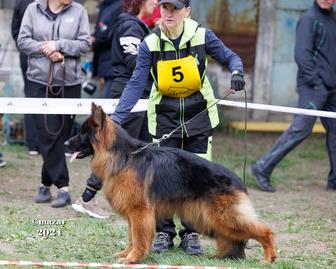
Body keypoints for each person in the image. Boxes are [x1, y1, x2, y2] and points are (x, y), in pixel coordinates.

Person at [111, 0, 245, 255]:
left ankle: (190, 235)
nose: (169, 14)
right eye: (165, 8)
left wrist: (237, 71)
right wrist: (117, 117)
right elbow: (136, 83)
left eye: (175, 9)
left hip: (199, 119)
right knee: (162, 181)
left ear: (187, 12)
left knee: (196, 179)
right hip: (164, 120)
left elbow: (231, 57)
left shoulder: (202, 35)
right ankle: (163, 233)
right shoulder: (150, 43)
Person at [71, 0, 157, 218]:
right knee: (113, 150)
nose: (157, 2)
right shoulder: (129, 25)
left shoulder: (136, 25)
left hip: (141, 95)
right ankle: (86, 198)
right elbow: (134, 62)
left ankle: (142, 199)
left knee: (143, 149)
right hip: (129, 93)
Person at [251, 0, 336, 193]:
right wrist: (317, 83)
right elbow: (302, 55)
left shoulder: (332, 19)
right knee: (301, 129)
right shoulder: (309, 19)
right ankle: (262, 168)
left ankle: (334, 181)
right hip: (313, 87)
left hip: (332, 89)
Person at [17, 0, 90, 207]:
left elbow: (84, 44)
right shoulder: (33, 9)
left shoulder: (79, 11)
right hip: (38, 82)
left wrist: (59, 46)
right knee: (47, 133)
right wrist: (45, 49)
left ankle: (44, 184)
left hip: (70, 83)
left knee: (60, 135)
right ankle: (63, 187)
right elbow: (22, 41)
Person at [11, 0, 39, 156]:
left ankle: (33, 144)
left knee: (30, 95)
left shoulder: (20, 2)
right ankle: (38, 143)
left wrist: (22, 46)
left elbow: (15, 30)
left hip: (26, 53)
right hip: (43, 54)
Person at [91, 0, 122, 98]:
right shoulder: (106, 5)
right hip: (104, 67)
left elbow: (112, 35)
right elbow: (101, 30)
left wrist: (93, 42)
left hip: (113, 68)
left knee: (108, 108)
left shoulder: (119, 6)